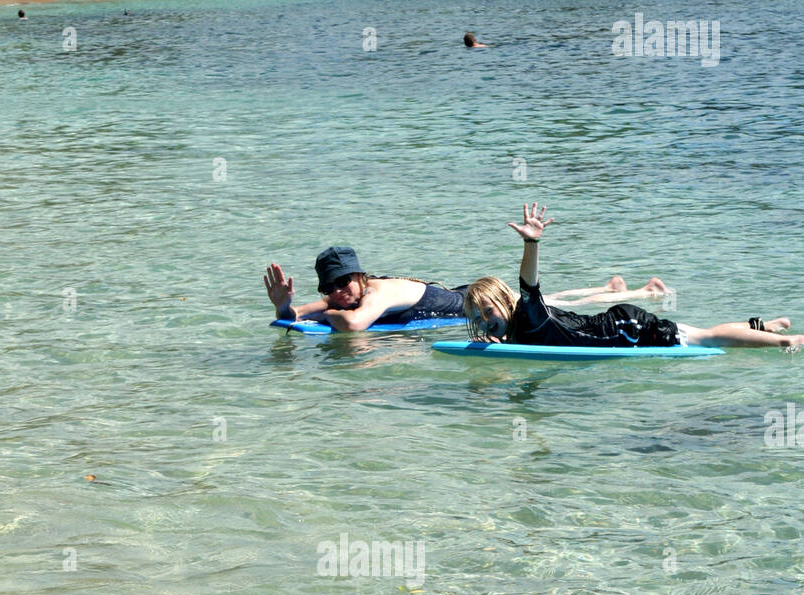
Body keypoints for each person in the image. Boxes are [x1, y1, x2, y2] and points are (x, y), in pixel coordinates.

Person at [464, 203, 803, 350]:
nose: (484, 321)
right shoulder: (519, 330)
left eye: (488, 311)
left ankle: (788, 342)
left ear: (504, 302)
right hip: (617, 323)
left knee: (706, 338)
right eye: (477, 318)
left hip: (624, 331)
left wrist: (531, 243)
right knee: (701, 333)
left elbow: (529, 286)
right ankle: (762, 326)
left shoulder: (529, 315)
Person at [265, 247, 472, 331]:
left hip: (475, 301)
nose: (337, 291)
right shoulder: (344, 297)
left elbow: (353, 325)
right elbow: (296, 315)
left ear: (359, 276)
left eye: (343, 281)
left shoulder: (377, 293)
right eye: (328, 288)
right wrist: (283, 306)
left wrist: (329, 313)